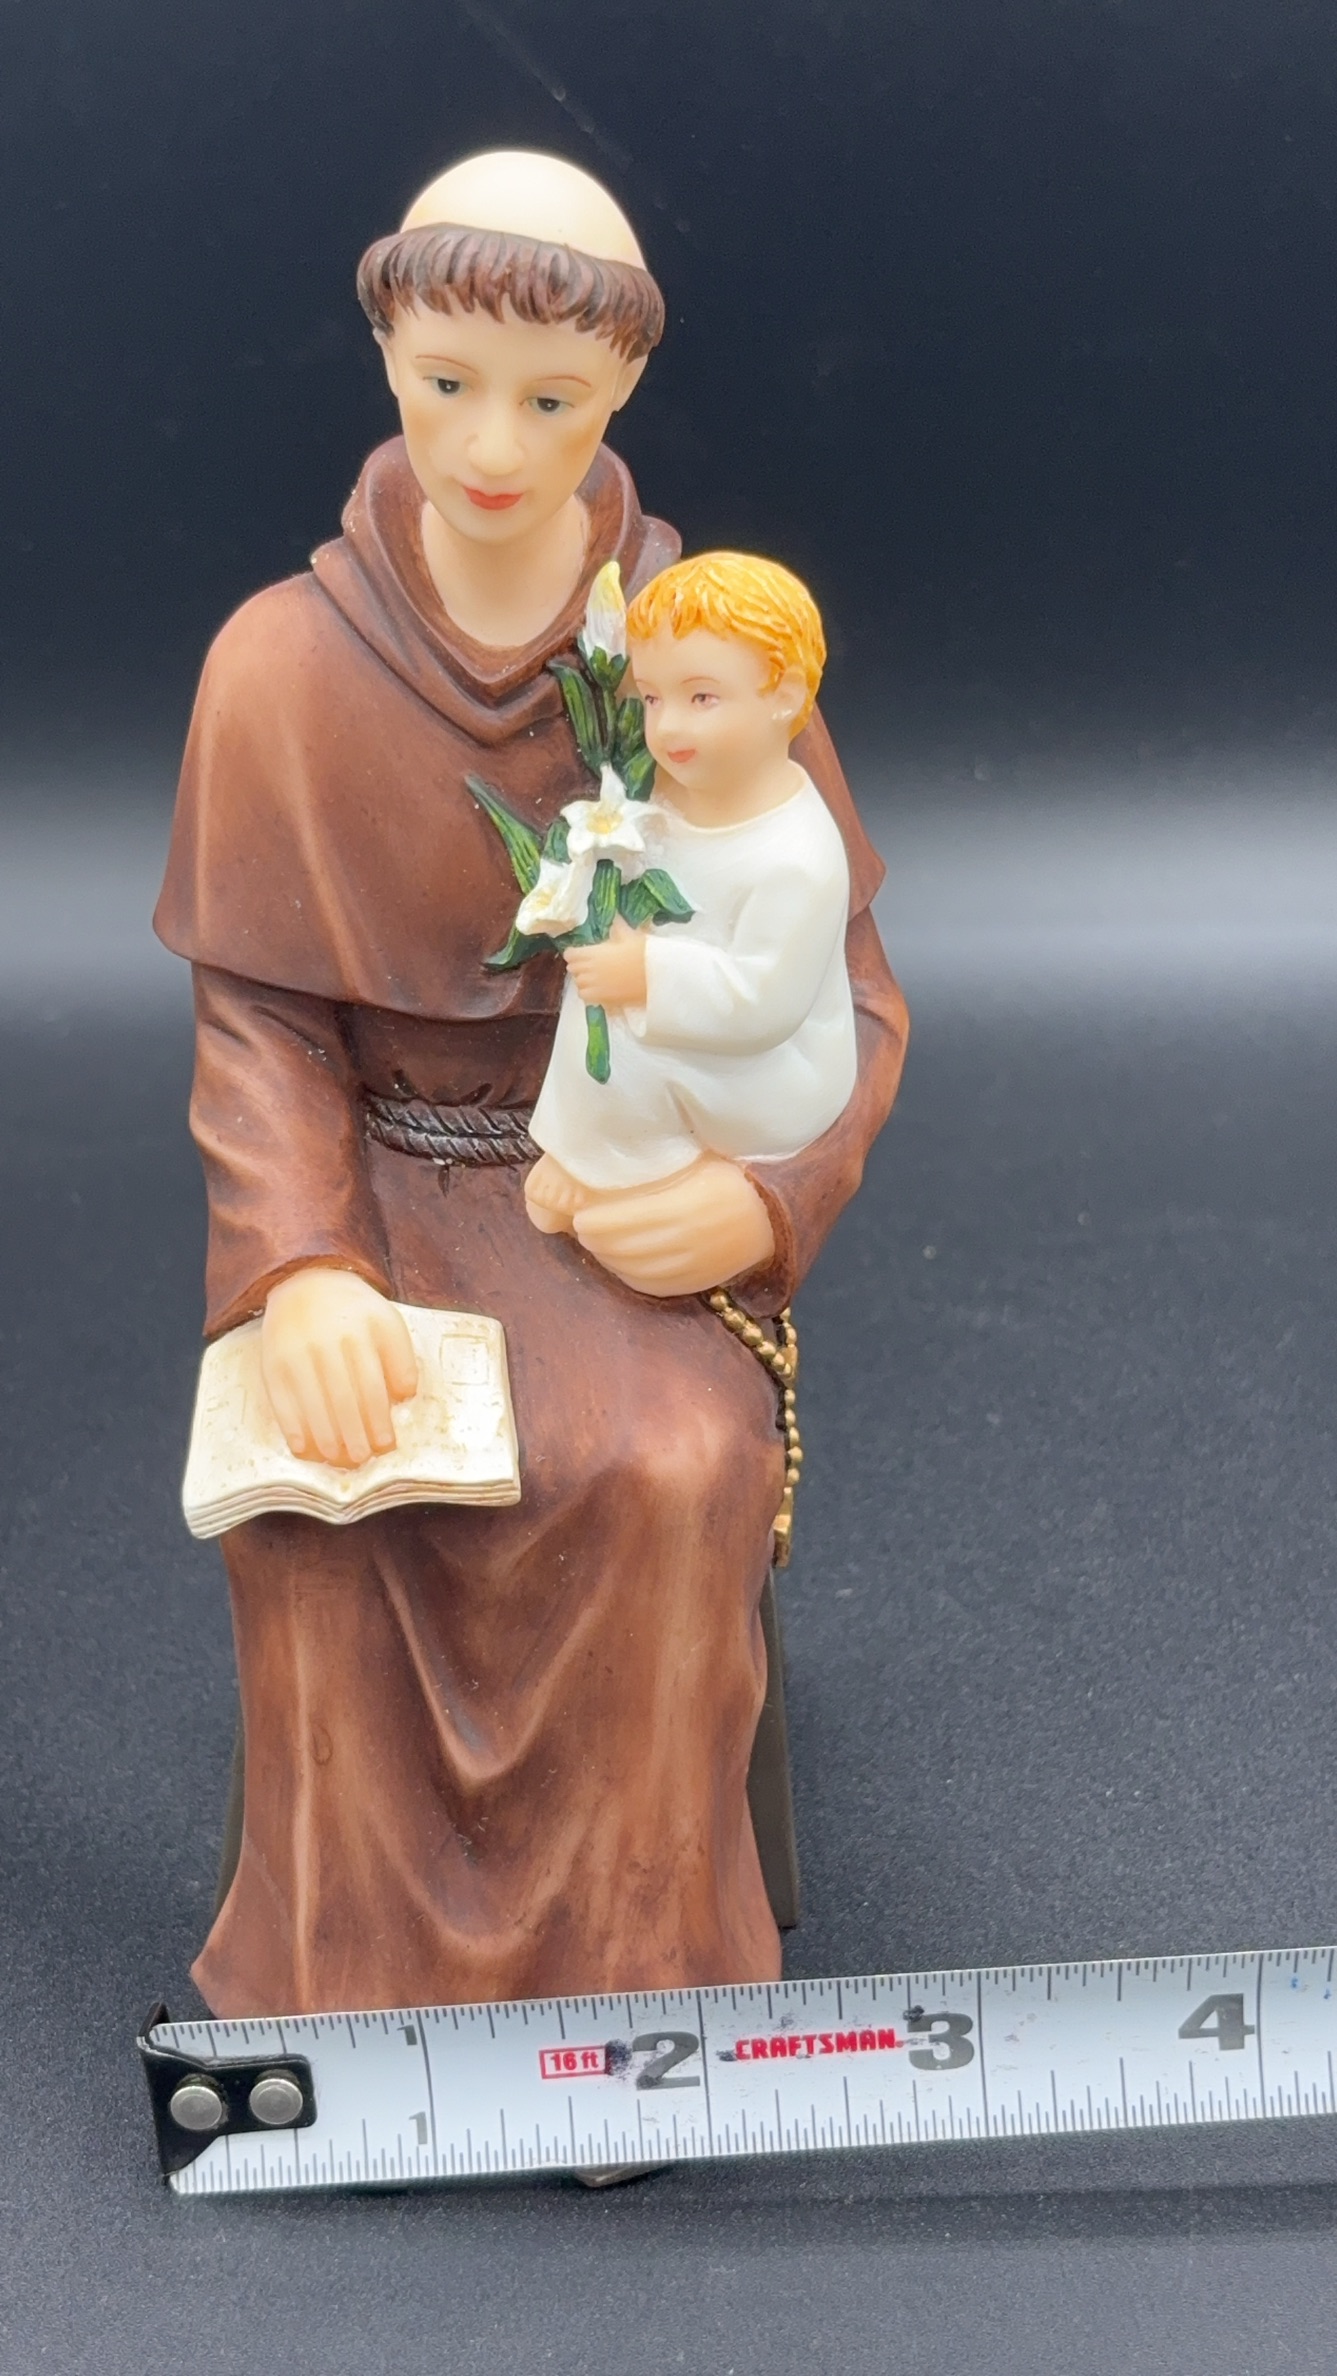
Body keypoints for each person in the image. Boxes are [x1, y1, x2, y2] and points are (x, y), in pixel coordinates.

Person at [154, 148, 909, 2020]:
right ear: (387, 356)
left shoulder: (705, 661)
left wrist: (761, 1196)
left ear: (625, 386)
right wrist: (301, 1271)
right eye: (447, 383)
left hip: (625, 1177)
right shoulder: (275, 668)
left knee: (666, 1465)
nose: (493, 445)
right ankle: (349, 1994)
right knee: (330, 1498)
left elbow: (845, 993)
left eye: (553, 399)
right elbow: (260, 1028)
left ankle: (633, 1996)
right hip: (378, 1192)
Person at [526, 551, 859, 1226]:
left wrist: (647, 974)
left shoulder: (797, 857)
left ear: (785, 695)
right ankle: (589, 1150)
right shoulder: (675, 793)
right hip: (693, 1022)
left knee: (626, 1038)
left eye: (701, 697)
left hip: (776, 1068)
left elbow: (765, 1000)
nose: (669, 726)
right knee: (593, 997)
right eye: (653, 699)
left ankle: (616, 1173)